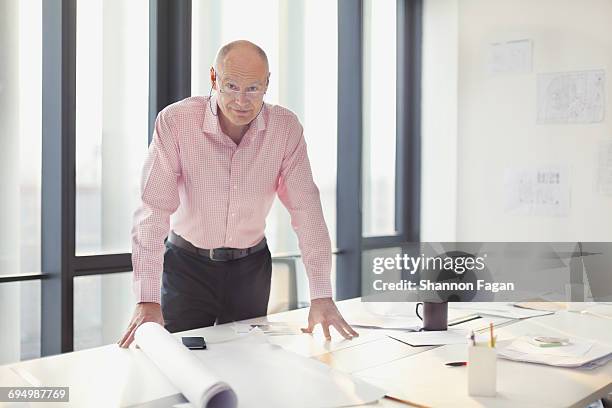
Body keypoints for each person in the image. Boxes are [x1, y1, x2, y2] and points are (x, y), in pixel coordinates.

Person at [118, 40, 358, 348]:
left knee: (248, 362)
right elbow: (153, 212)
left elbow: (307, 211)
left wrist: (321, 294)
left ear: (267, 84)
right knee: (179, 364)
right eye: (231, 86)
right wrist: (147, 298)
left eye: (253, 88)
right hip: (187, 268)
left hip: (251, 269)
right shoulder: (176, 122)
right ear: (214, 79)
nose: (242, 101)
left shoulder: (285, 129)